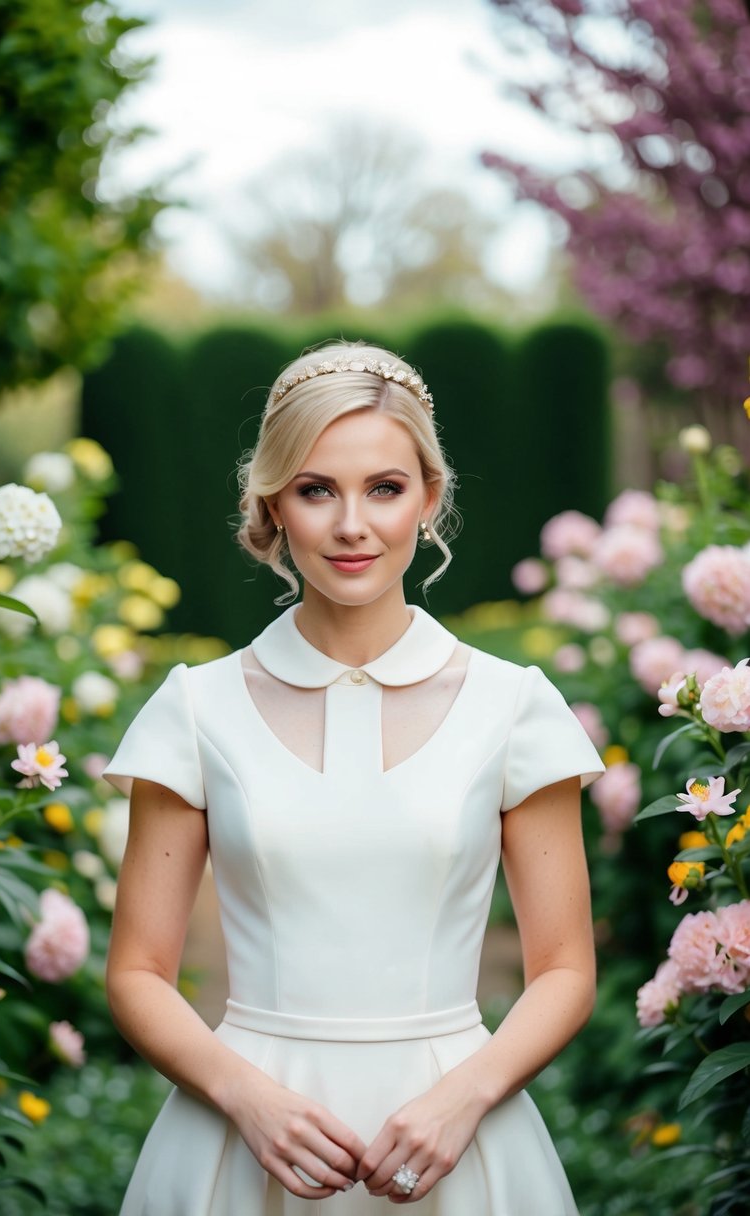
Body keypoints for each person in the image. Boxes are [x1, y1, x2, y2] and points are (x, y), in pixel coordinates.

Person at [102, 339, 604, 1214]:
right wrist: (245, 1097)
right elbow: (138, 972)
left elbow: (563, 967)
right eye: (314, 489)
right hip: (238, 1142)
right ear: (273, 505)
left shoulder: (513, 706)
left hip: (460, 1142)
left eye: (383, 487)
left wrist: (464, 1097)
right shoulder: (194, 709)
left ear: (428, 498)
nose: (350, 526)